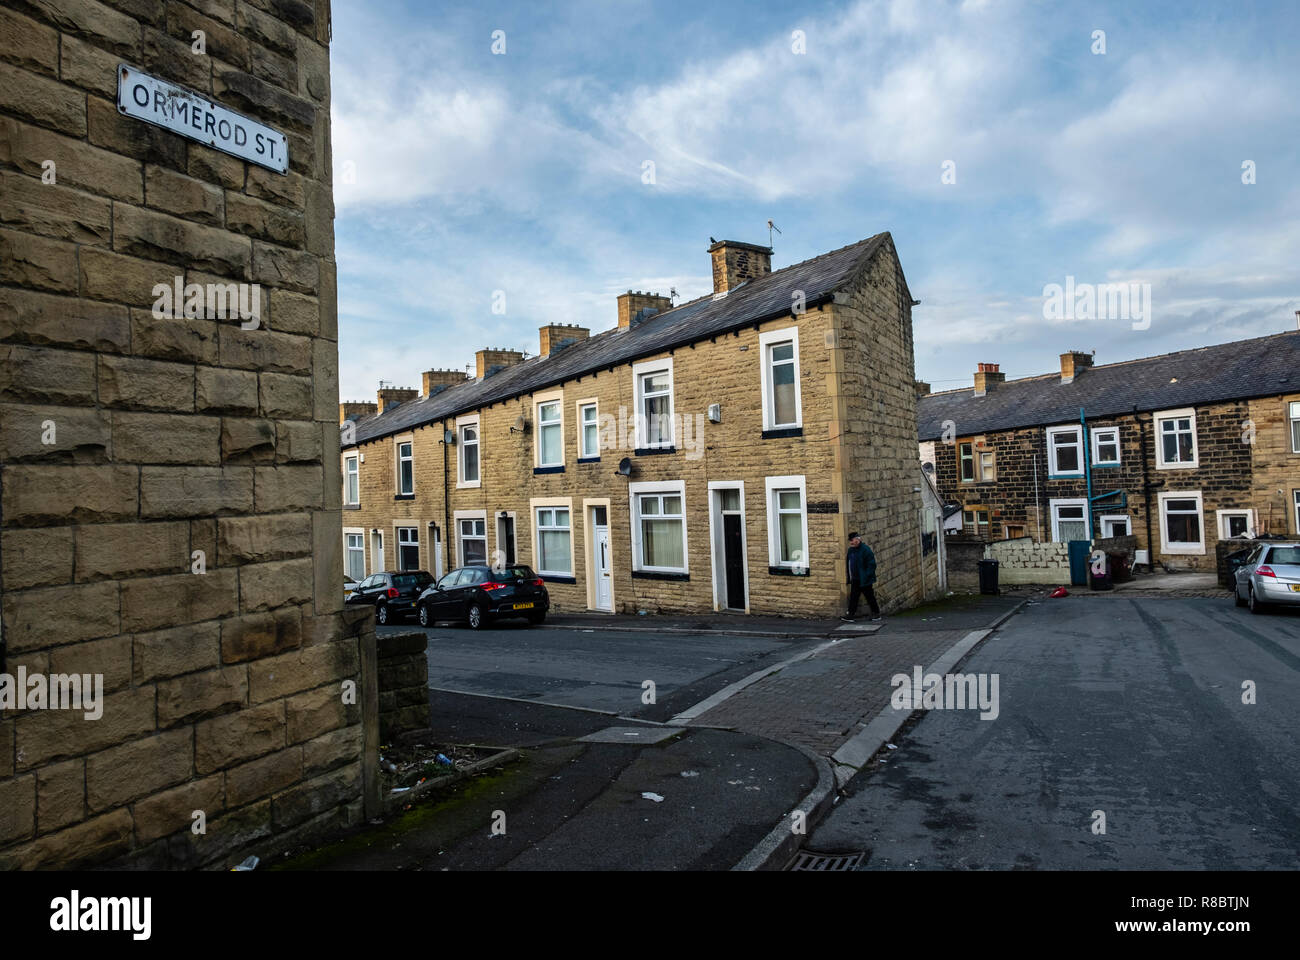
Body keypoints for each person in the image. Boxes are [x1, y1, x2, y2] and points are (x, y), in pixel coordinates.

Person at [842, 532, 881, 622]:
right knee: (854, 597)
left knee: (869, 596)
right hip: (855, 579)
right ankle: (850, 615)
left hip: (864, 579)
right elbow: (849, 563)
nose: (851, 543)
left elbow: (871, 565)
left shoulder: (865, 550)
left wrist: (867, 575)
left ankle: (876, 614)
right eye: (850, 541)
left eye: (852, 540)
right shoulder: (851, 550)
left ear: (857, 539)